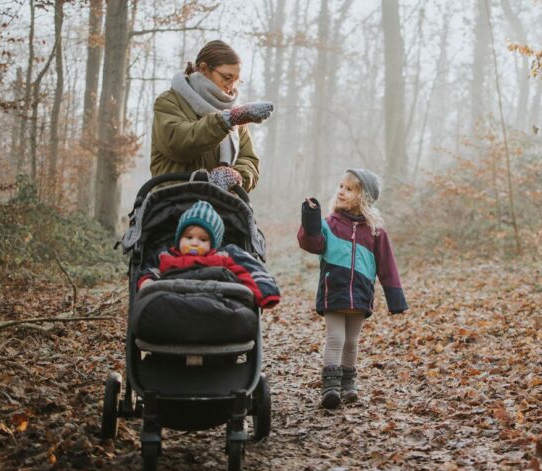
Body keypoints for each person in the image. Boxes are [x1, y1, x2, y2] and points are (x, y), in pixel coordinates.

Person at [298, 168, 407, 409]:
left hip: (360, 292)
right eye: (341, 186)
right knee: (335, 338)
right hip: (333, 290)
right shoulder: (329, 224)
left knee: (352, 341)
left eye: (349, 189)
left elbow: (387, 265)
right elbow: (311, 243)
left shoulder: (376, 231)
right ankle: (330, 388)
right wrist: (310, 219)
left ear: (363, 197)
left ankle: (348, 385)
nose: (342, 191)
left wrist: (395, 297)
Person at [151, 40, 274, 192]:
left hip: (222, 203)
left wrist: (237, 176)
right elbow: (177, 144)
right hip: (174, 202)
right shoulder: (169, 101)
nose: (231, 87)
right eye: (227, 78)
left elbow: (249, 160)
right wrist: (226, 121)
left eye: (236, 80)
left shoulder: (237, 114)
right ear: (204, 69)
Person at [139, 200, 280, 309]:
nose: (194, 243)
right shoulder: (165, 255)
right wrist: (147, 282)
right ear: (179, 238)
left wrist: (265, 293)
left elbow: (250, 269)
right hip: (171, 303)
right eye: (188, 237)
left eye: (203, 239)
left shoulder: (225, 255)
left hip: (216, 302)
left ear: (213, 244)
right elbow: (149, 270)